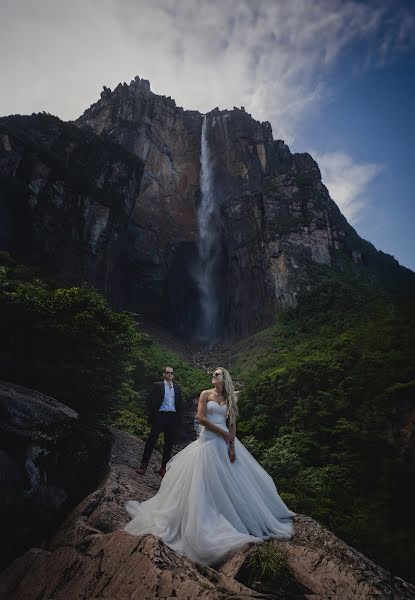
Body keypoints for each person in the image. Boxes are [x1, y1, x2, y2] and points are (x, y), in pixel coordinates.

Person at [124, 367, 295, 567]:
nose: (213, 376)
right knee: (202, 480)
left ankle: (236, 515)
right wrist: (222, 434)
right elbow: (202, 419)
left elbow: (232, 423)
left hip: (225, 442)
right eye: (213, 374)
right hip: (208, 440)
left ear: (224, 378)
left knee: (233, 480)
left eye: (217, 374)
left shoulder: (230, 398)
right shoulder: (205, 394)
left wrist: (231, 446)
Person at [137, 366, 184, 478]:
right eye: (167, 373)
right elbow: (149, 400)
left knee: (168, 443)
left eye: (171, 373)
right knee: (152, 440)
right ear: (163, 374)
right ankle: (143, 465)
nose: (169, 375)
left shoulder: (177, 388)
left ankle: (164, 469)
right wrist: (154, 414)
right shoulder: (157, 385)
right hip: (160, 416)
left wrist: (178, 418)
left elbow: (180, 404)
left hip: (172, 417)